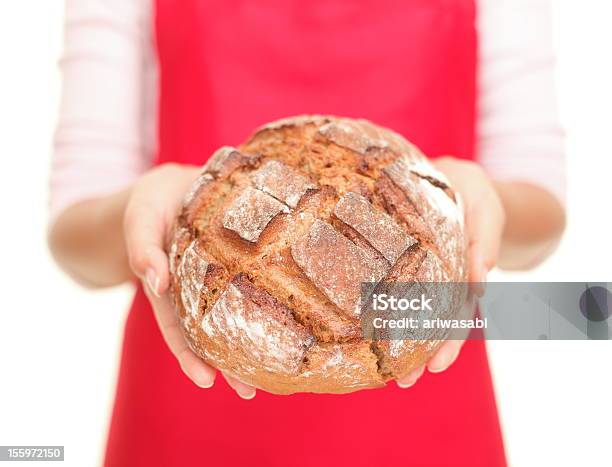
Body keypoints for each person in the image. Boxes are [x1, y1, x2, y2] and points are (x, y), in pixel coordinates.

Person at [48, 0, 566, 465]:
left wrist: (479, 199)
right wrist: (138, 213)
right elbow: (74, 233)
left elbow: (542, 212)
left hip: (435, 417)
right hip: (185, 415)